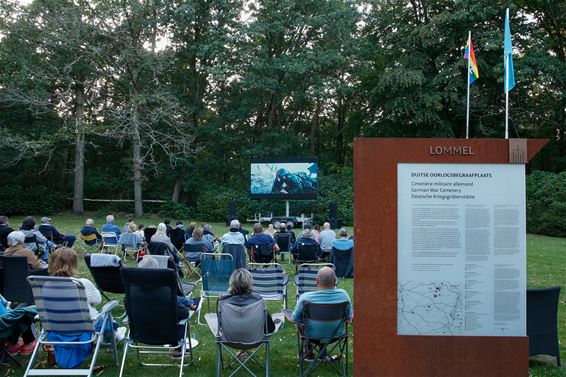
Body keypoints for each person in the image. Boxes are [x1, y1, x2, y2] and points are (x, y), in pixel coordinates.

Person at [48, 247, 126, 339]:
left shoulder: (45, 285)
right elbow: (98, 300)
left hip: (57, 325)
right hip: (84, 326)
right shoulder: (82, 283)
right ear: (73, 264)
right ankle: (115, 333)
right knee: (104, 316)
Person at [290, 267, 352, 354]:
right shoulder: (344, 295)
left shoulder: (305, 298)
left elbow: (295, 319)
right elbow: (349, 318)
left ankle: (308, 351)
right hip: (336, 335)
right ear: (335, 281)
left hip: (311, 336)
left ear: (317, 281)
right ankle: (323, 353)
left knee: (300, 323)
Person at [219, 269, 276, 333]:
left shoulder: (222, 301)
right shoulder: (258, 301)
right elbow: (270, 329)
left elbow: (221, 324)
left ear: (231, 282)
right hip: (254, 339)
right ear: (250, 282)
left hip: (229, 338)